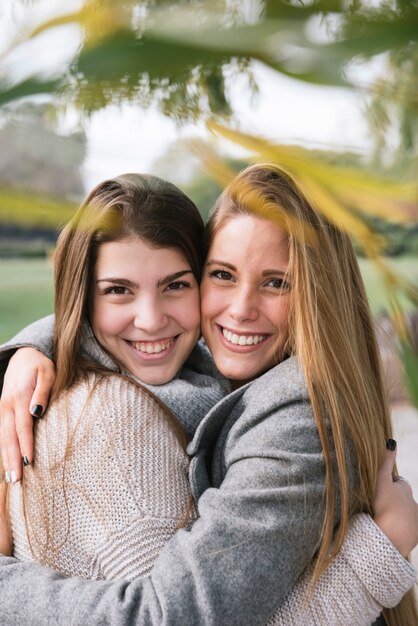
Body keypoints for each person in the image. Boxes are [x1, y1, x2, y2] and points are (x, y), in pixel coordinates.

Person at [0, 165, 417, 625]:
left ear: (321, 294)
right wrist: (32, 348)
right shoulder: (221, 360)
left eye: (277, 282)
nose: (240, 309)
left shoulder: (299, 419)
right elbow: (138, 306)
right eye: (222, 274)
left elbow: (169, 619)